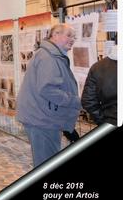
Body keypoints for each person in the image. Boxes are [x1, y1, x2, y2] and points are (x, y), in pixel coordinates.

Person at [16, 24, 80, 167]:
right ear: (55, 35)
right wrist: (75, 101)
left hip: (43, 118)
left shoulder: (51, 55)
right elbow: (48, 89)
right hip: (42, 120)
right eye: (69, 35)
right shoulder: (48, 57)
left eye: (74, 37)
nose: (72, 40)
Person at [81, 44, 117, 126]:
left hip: (110, 121)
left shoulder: (97, 67)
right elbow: (88, 100)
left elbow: (88, 101)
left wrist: (102, 121)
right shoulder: (97, 67)